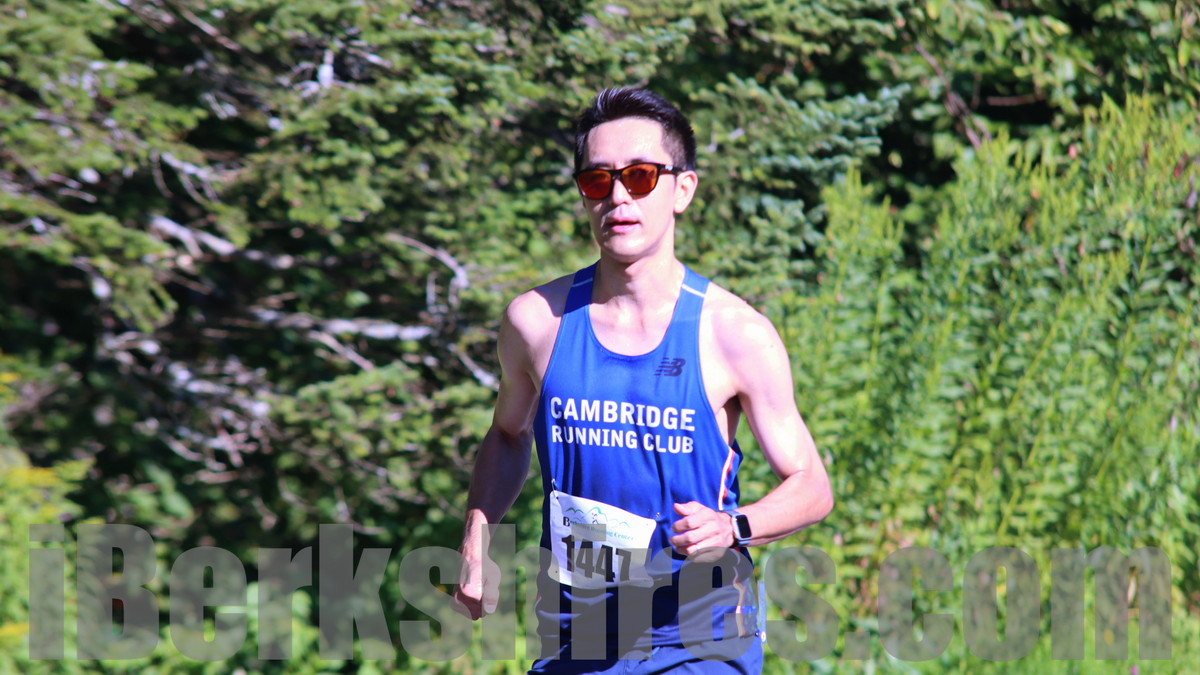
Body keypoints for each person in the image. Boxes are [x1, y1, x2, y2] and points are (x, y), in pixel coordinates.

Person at [453, 87, 833, 673]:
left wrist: (733, 526)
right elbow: (507, 435)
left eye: (640, 176)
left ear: (683, 189)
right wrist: (477, 537)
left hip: (700, 636)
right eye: (597, 180)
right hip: (577, 634)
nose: (618, 197)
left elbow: (811, 486)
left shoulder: (735, 333)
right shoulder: (537, 322)